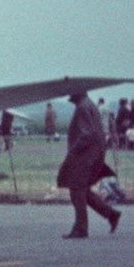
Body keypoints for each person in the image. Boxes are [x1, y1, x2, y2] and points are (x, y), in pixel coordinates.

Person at [57, 92, 121, 239]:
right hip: (92, 155)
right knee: (82, 190)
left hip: (84, 157)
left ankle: (81, 228)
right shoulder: (89, 105)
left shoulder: (83, 107)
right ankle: (111, 214)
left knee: (76, 190)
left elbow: (86, 134)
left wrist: (73, 151)